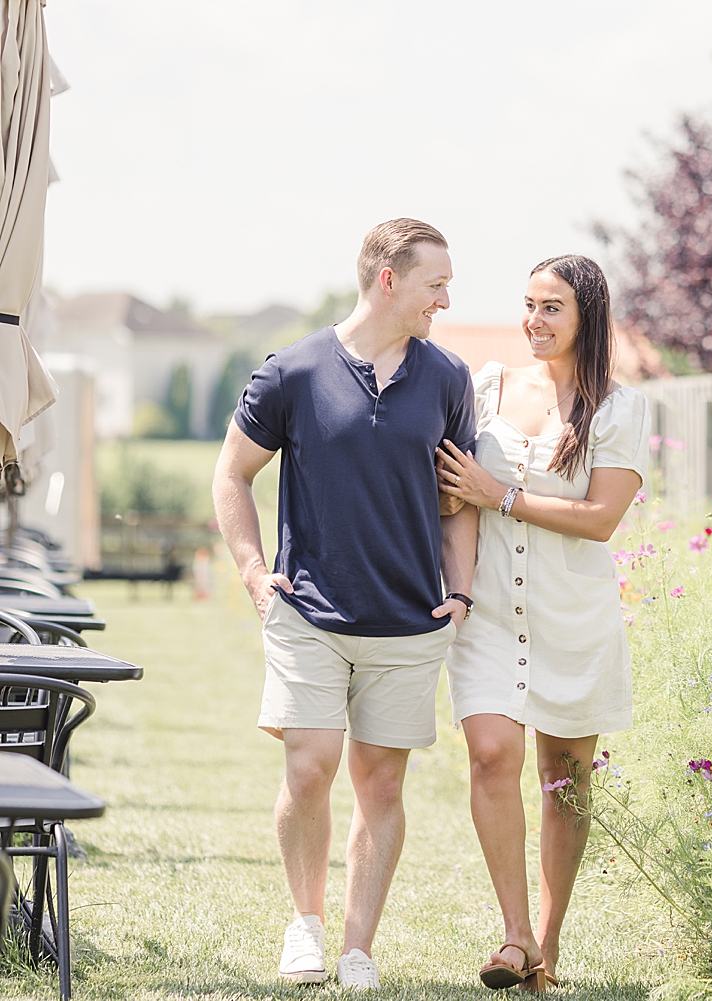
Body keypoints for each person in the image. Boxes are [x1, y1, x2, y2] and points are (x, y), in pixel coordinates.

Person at [211, 218, 476, 989]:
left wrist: (459, 592)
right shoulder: (292, 371)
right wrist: (255, 571)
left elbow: (458, 501)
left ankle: (357, 946)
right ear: (388, 279)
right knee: (309, 765)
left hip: (408, 619)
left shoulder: (448, 379)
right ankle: (307, 926)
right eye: (436, 283)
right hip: (310, 612)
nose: (447, 299)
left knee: (381, 785)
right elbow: (232, 473)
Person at [435, 254, 650, 991]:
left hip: (573, 620)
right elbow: (453, 494)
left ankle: (544, 950)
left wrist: (501, 494)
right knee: (492, 752)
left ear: (587, 314)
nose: (534, 319)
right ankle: (514, 932)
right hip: (490, 612)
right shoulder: (487, 388)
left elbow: (601, 518)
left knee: (565, 780)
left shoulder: (619, 409)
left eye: (551, 306)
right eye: (528, 303)